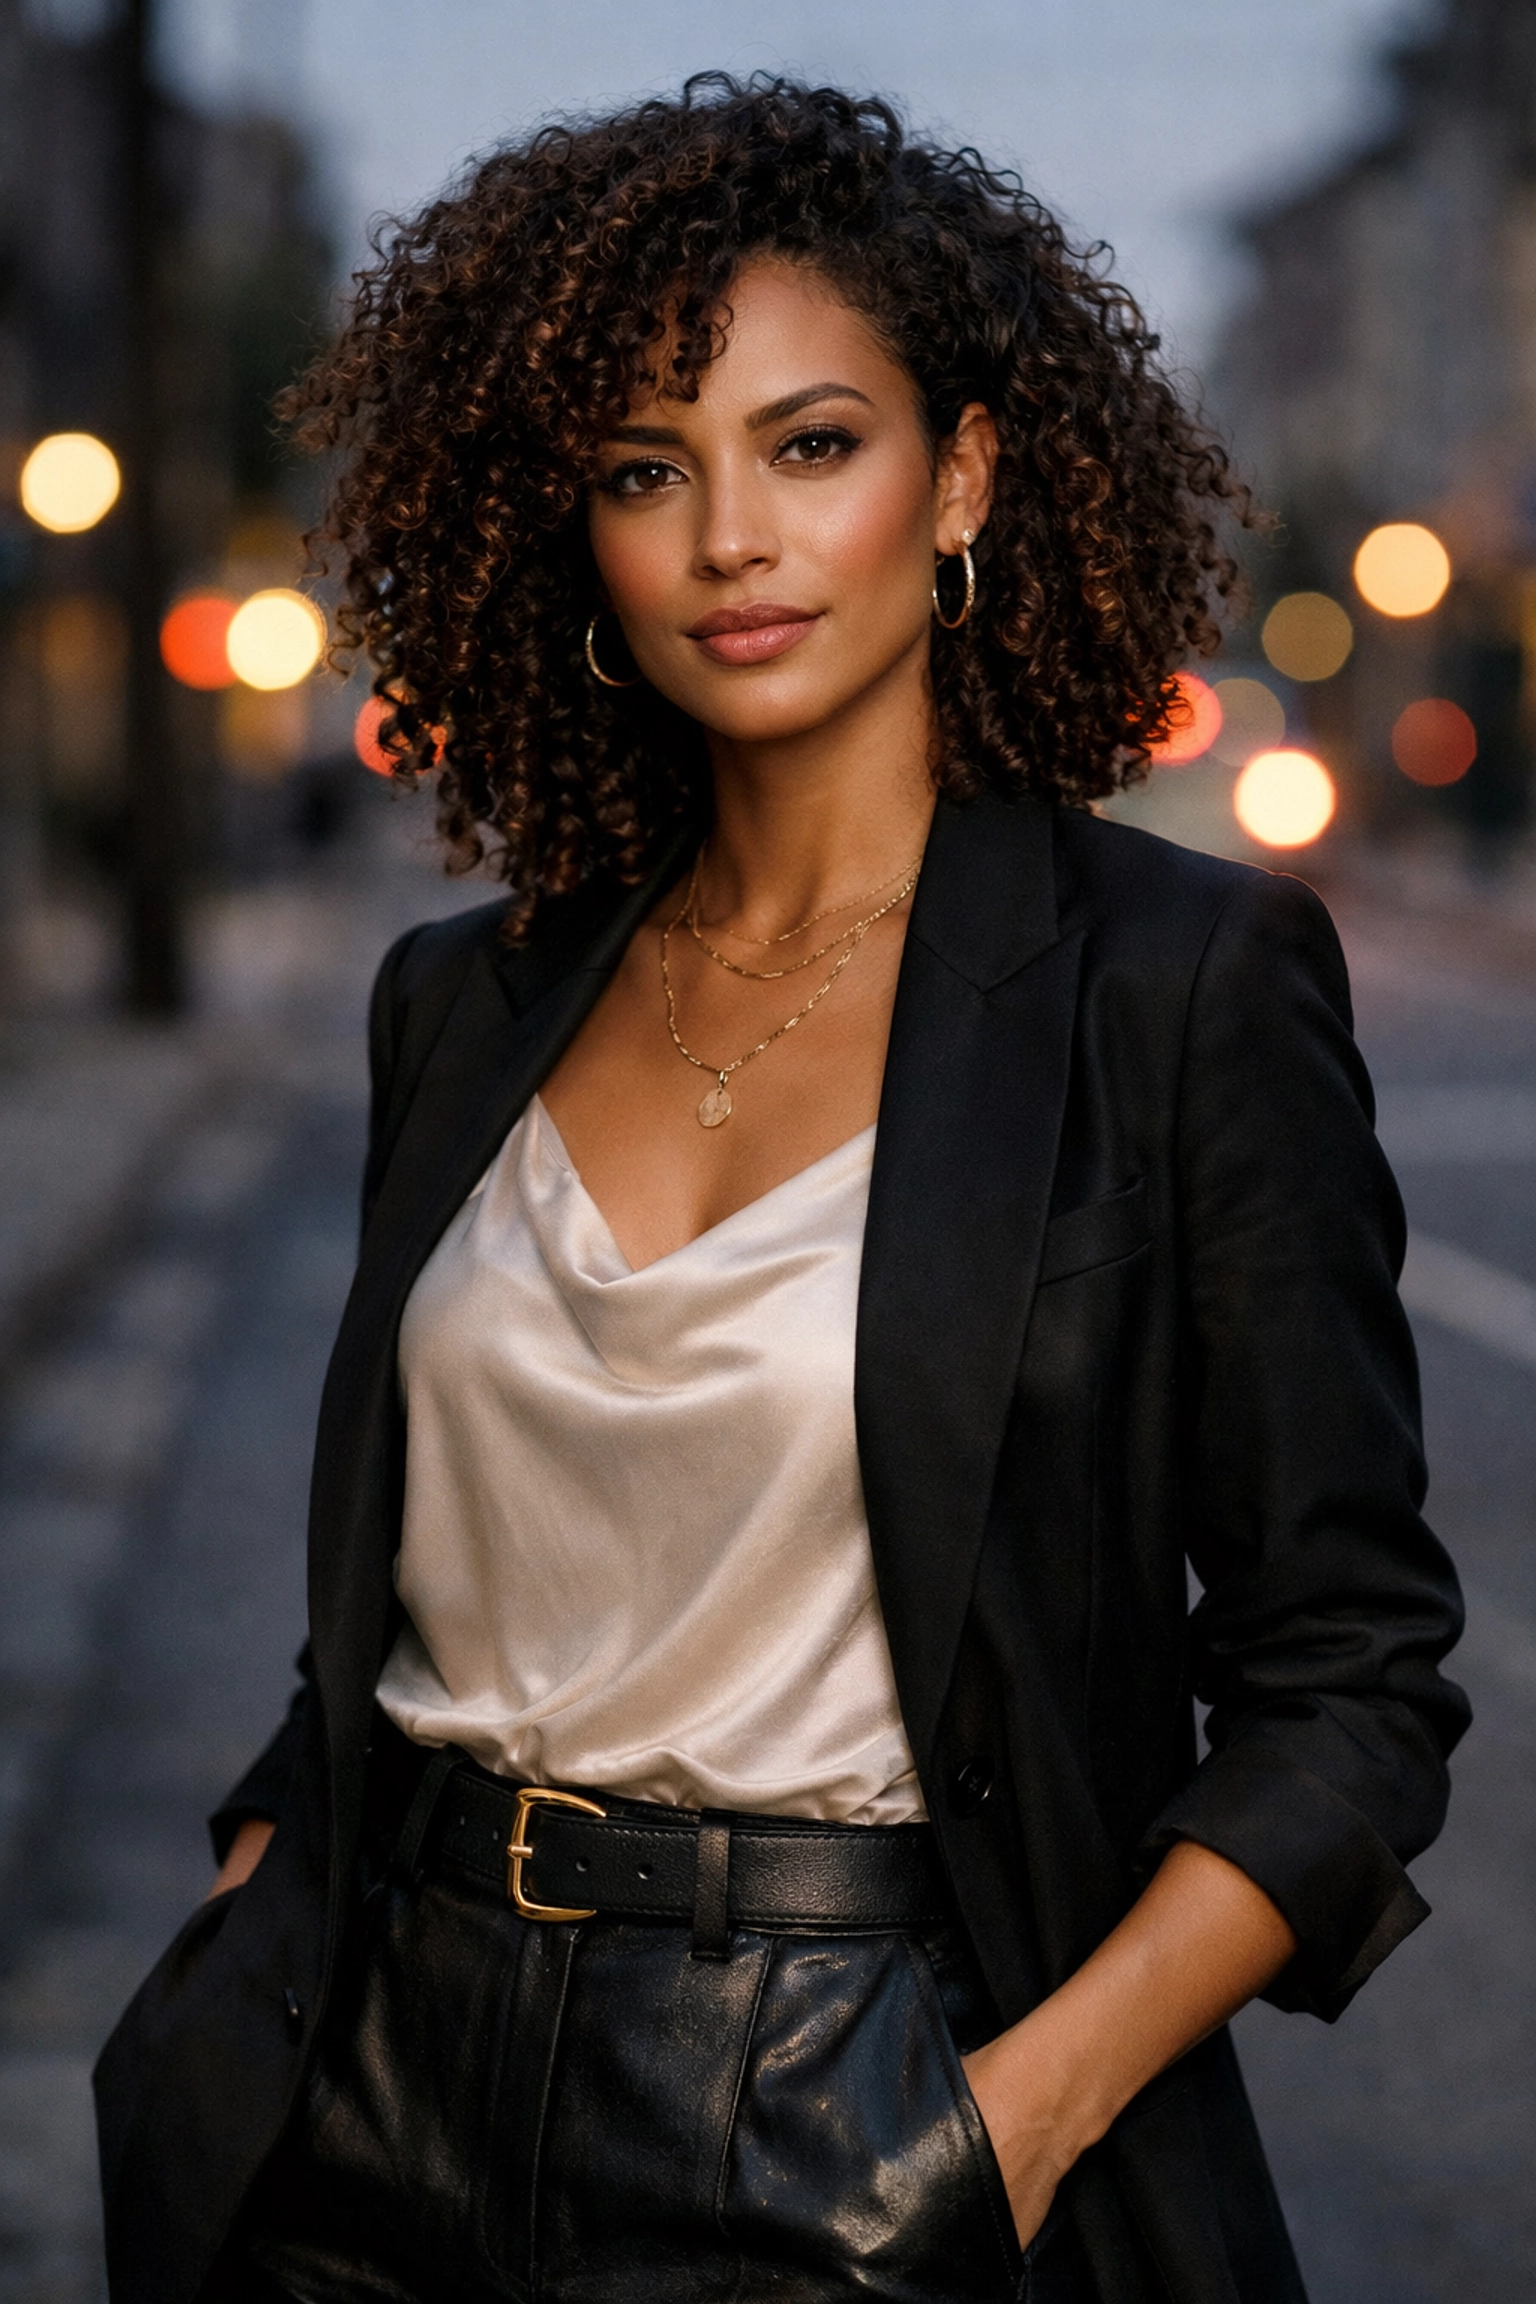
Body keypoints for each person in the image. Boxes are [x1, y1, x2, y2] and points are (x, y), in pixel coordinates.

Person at [94, 76, 1468, 2304]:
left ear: (966, 480)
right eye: (650, 470)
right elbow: (414, 1581)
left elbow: (1352, 1686)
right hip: (352, 2102)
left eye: (812, 444)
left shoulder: (1176, 986)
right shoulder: (464, 1001)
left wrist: (1007, 2133)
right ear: (582, 535)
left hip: (860, 2119)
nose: (731, 536)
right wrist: (268, 1888)